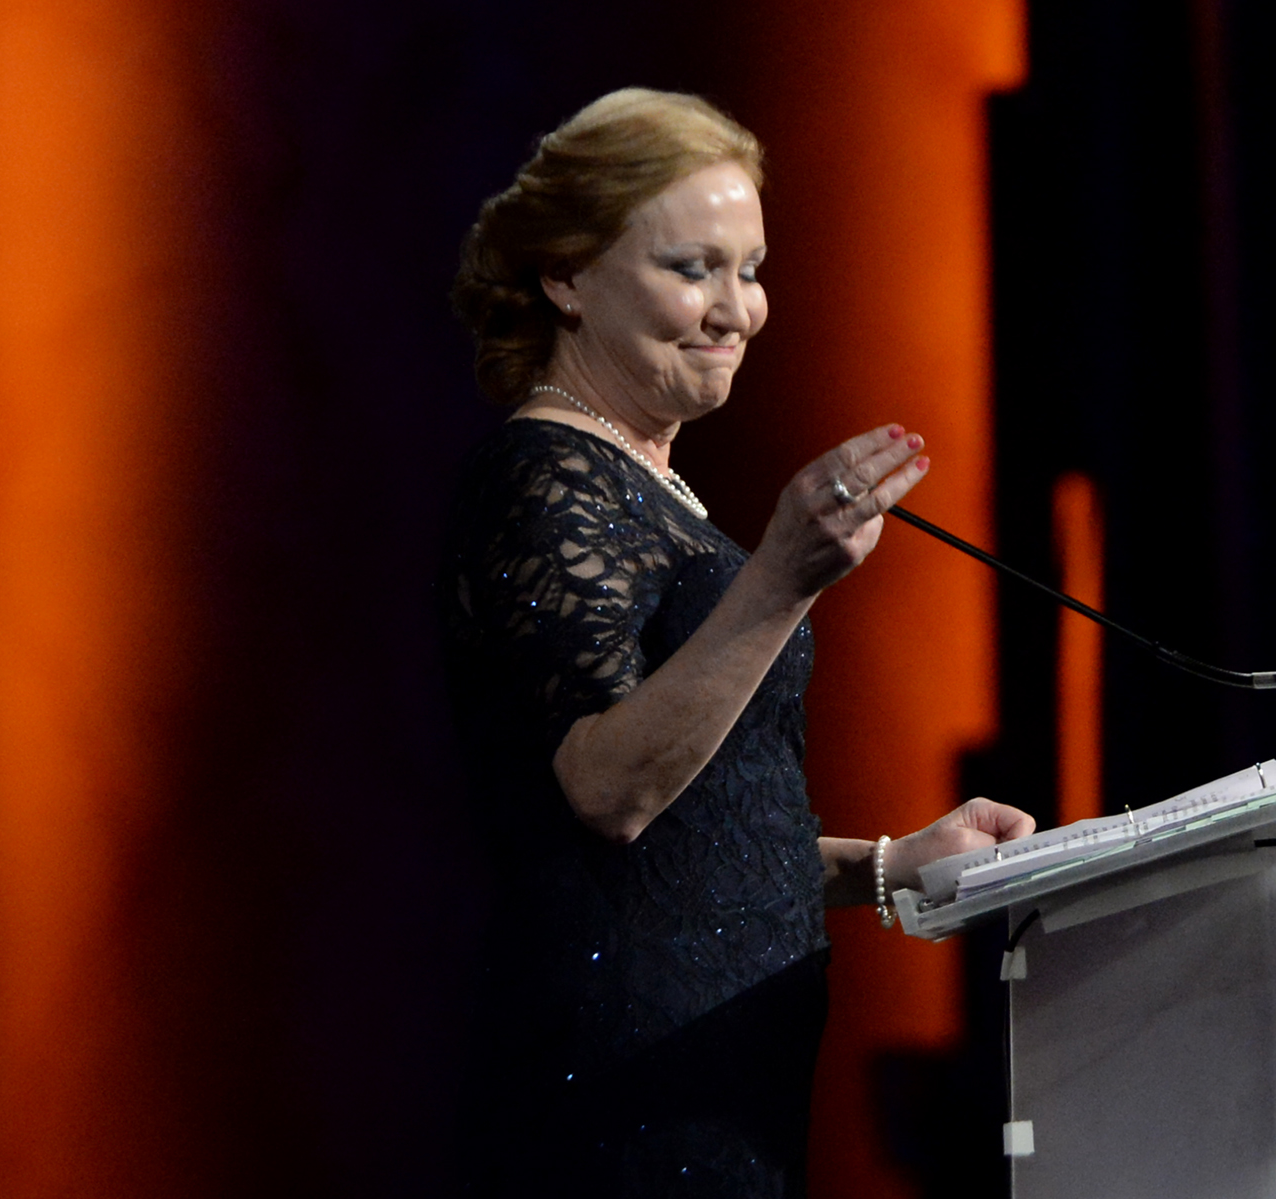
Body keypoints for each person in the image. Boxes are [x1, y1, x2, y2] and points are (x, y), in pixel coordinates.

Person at [440, 88, 1034, 1197]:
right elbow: (607, 792)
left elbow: (685, 855)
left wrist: (894, 865)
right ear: (566, 277)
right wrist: (777, 580)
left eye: (751, 270)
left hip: (718, 1090)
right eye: (692, 268)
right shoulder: (545, 475)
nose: (737, 311)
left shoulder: (648, 486)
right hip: (622, 1106)